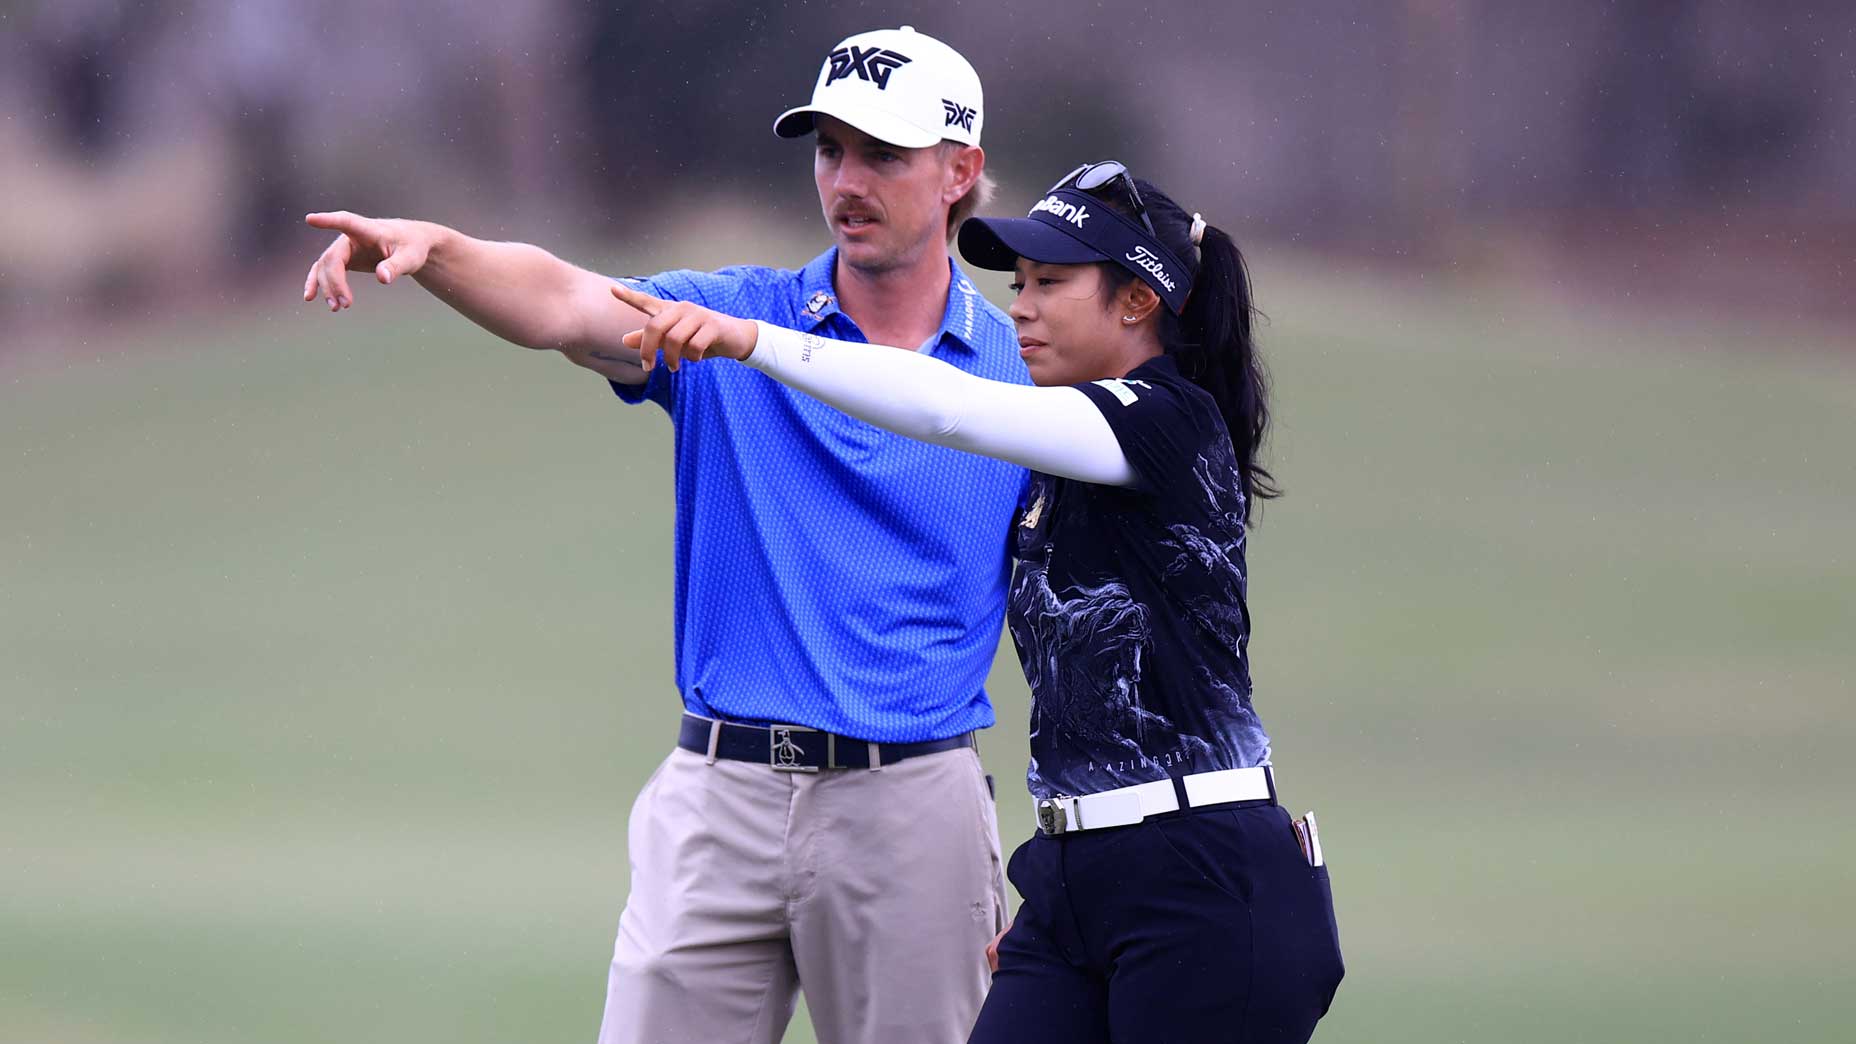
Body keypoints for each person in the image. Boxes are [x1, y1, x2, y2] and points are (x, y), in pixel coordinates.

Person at [299, 27, 1027, 1044]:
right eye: (828, 150)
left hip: (909, 807)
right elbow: (563, 300)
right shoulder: (725, 322)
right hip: (719, 800)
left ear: (960, 172)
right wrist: (438, 253)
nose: (846, 181)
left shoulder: (1022, 375)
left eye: (881, 154)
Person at [612, 159, 1347, 1043]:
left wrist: (754, 343)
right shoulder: (1058, 452)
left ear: (1137, 301)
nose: (1022, 306)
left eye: (1052, 283)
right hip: (1076, 877)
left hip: (1204, 877)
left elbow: (950, 412)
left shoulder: (1170, 421)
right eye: (1019, 283)